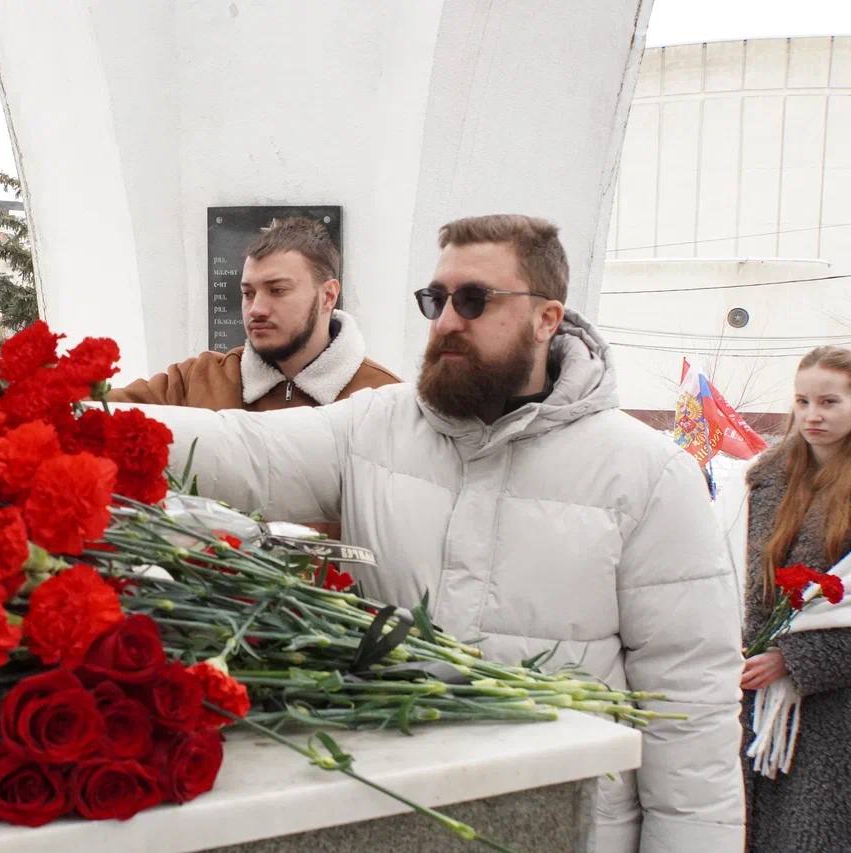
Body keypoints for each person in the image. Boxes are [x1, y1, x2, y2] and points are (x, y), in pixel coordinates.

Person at [123, 214, 744, 851]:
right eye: (436, 299)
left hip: (568, 825)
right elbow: (244, 449)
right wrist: (72, 418)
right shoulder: (375, 426)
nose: (447, 320)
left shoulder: (647, 474)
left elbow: (690, 705)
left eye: (474, 300)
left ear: (546, 318)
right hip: (402, 819)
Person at [739, 346, 851, 853]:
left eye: (829, 402)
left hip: (833, 712)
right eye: (803, 401)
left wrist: (797, 658)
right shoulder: (765, 479)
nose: (812, 415)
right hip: (754, 697)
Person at [108, 217, 399, 411]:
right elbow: (96, 413)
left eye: (277, 290)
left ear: (328, 296)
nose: (256, 309)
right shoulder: (195, 383)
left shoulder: (383, 400)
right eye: (248, 293)